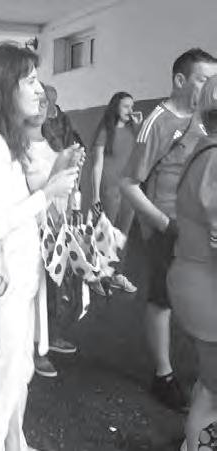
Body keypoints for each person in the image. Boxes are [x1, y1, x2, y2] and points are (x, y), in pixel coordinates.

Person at [0, 42, 79, 451]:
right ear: (2, 89)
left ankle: (16, 442)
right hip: (3, 284)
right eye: (29, 80)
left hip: (19, 279)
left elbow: (16, 205)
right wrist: (48, 193)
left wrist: (55, 175)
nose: (39, 89)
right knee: (5, 380)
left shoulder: (5, 142)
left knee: (19, 371)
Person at [120, 48, 217, 412]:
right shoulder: (157, 122)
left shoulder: (206, 119)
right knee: (162, 298)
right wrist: (165, 225)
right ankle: (163, 375)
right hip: (168, 226)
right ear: (180, 80)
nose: (211, 87)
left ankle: (205, 371)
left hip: (201, 226)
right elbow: (129, 184)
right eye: (203, 79)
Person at [168, 74, 217, 451]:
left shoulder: (205, 147)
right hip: (207, 290)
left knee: (209, 384)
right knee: (214, 394)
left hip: (194, 280)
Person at [24, 86, 84, 378]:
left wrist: (73, 167)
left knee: (53, 288)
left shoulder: (52, 141)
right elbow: (24, 195)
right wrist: (59, 169)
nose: (42, 106)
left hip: (56, 226)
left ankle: (48, 337)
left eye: (45, 102)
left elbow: (64, 186)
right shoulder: (15, 147)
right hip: (31, 230)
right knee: (34, 292)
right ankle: (35, 349)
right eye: (36, 100)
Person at [90, 91, 141, 295]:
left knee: (123, 235)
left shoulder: (133, 130)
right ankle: (99, 277)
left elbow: (141, 155)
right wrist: (95, 195)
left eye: (132, 106)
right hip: (110, 189)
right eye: (126, 106)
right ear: (116, 108)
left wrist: (139, 128)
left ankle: (117, 274)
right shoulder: (106, 131)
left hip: (129, 189)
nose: (131, 110)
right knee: (106, 235)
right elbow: (97, 165)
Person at [41, 84, 84, 151]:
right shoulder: (39, 120)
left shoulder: (64, 118)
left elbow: (70, 140)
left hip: (67, 152)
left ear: (53, 100)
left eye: (47, 100)